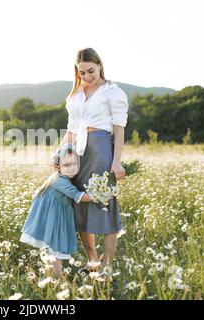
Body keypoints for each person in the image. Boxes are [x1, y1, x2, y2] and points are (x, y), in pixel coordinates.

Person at [55, 47, 128, 275]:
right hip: (77, 154)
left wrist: (116, 162)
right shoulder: (75, 94)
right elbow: (71, 129)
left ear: (100, 65)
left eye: (91, 71)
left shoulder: (113, 92)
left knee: (105, 207)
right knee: (81, 209)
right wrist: (58, 152)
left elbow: (118, 131)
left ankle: (106, 268)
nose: (87, 76)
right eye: (82, 72)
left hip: (101, 151)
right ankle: (93, 261)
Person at [20, 144, 92, 277]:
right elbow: (79, 196)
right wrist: (100, 196)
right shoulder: (59, 180)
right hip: (52, 218)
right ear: (57, 166)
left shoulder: (63, 178)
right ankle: (57, 282)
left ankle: (53, 279)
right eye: (66, 165)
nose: (71, 168)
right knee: (54, 250)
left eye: (74, 164)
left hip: (56, 216)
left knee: (53, 250)